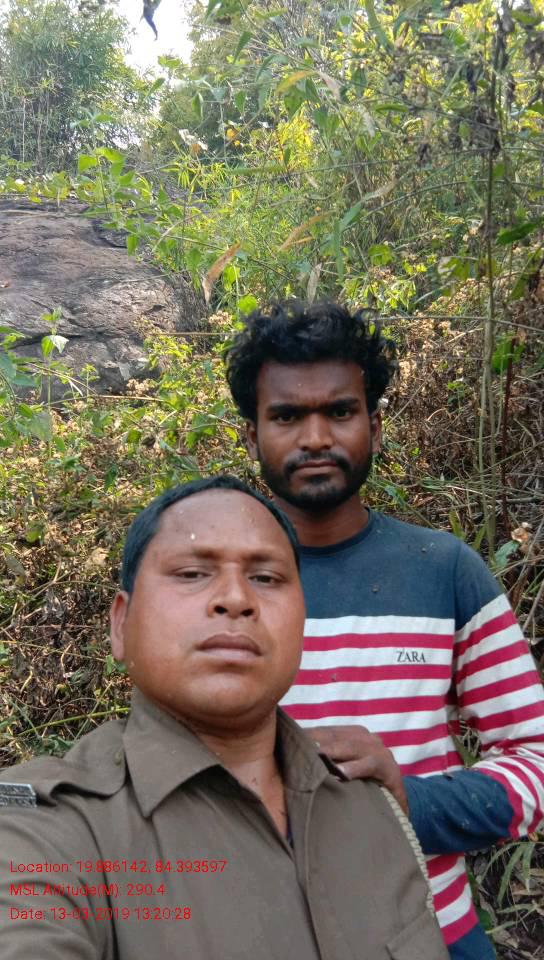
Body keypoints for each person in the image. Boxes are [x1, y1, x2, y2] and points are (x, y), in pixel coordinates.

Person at [0, 475, 447, 960]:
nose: (236, 598)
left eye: (266, 578)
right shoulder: (45, 828)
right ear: (122, 624)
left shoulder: (367, 801)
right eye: (192, 573)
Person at [225, 300, 544, 960]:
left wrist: (407, 801)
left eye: (340, 412)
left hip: (434, 931)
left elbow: (534, 758)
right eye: (287, 416)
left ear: (373, 425)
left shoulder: (444, 571)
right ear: (252, 436)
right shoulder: (212, 589)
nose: (316, 437)